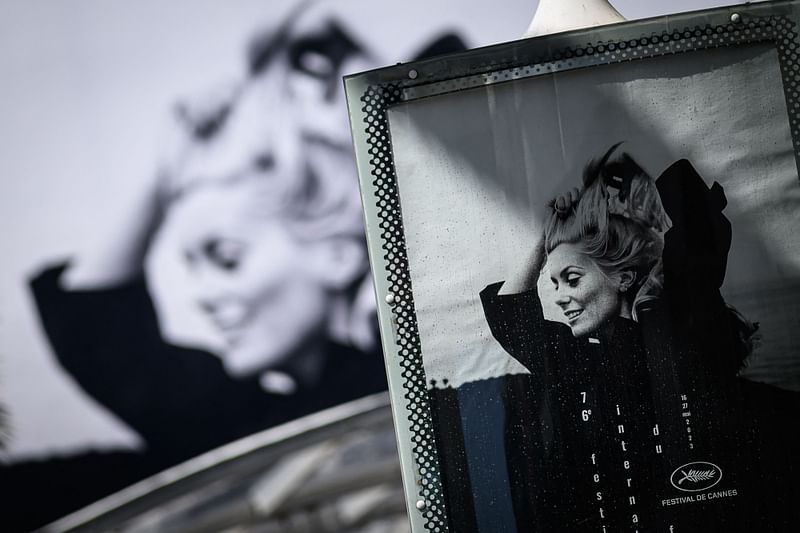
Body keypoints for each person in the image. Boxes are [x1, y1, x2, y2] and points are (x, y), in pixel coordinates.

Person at [3, 2, 470, 531]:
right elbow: (100, 338)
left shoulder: (422, 369)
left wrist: (367, 108)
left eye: (226, 258)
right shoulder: (242, 421)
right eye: (192, 266)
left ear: (338, 255)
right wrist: (161, 180)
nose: (202, 295)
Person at [431, 144, 800, 532]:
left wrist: (629, 193)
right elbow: (510, 316)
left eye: (572, 279)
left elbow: (688, 206)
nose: (559, 297)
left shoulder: (678, 332)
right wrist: (544, 238)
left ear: (623, 277)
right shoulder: (577, 360)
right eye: (553, 283)